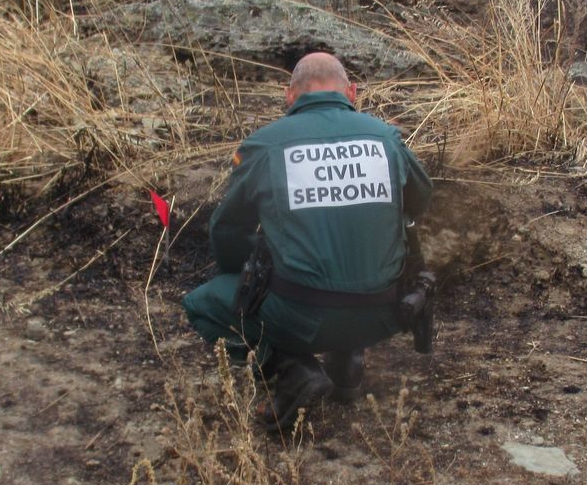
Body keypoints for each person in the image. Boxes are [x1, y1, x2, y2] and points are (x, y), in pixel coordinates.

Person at [182, 52, 434, 430]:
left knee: (203, 304)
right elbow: (420, 200)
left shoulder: (265, 145)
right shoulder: (385, 138)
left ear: (289, 96)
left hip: (301, 319)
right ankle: (347, 363)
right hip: (388, 314)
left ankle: (292, 369)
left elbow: (227, 230)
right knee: (346, 259)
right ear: (352, 91)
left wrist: (248, 287)